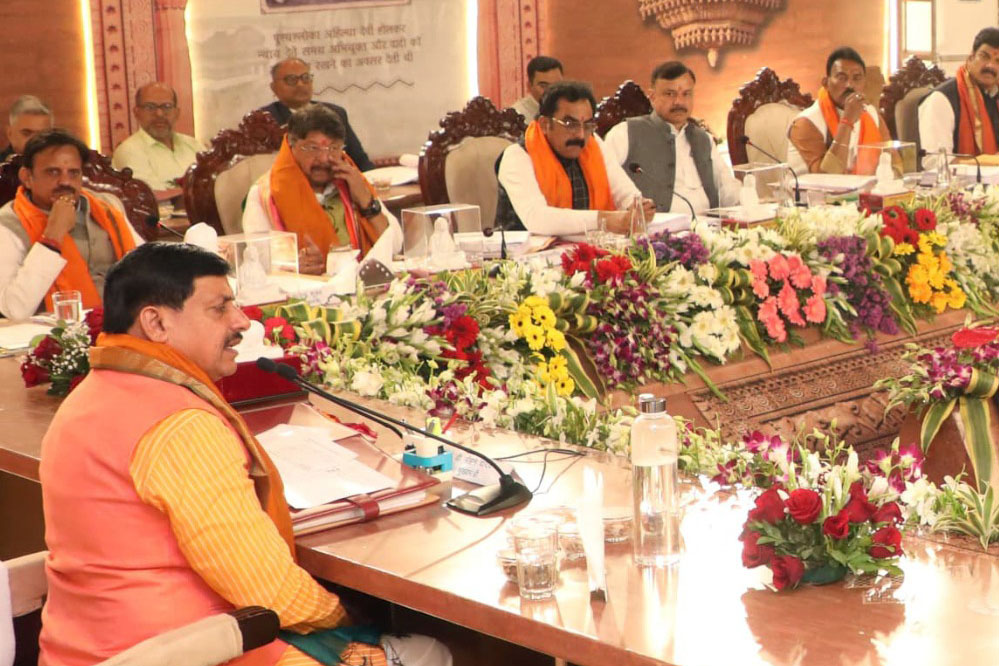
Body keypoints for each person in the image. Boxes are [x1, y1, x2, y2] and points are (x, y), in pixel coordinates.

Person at [38, 242, 452, 666]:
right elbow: (272, 594)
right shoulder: (181, 426)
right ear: (156, 322)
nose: (242, 321)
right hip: (186, 652)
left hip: (83, 651)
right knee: (428, 651)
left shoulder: (85, 400)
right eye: (220, 308)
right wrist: (351, 613)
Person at [0, 129, 142, 320]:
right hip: (54, 331)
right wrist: (52, 237)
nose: (65, 181)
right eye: (53, 172)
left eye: (74, 173)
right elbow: (14, 310)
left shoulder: (107, 208)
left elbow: (148, 266)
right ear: (27, 177)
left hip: (123, 321)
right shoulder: (7, 224)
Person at [243, 104, 401, 273]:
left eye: (333, 148)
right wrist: (294, 264)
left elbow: (395, 246)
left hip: (365, 282)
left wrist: (366, 201)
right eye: (313, 148)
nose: (324, 158)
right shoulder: (265, 194)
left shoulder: (352, 181)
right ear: (291, 146)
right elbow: (257, 258)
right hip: (305, 287)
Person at [496, 81, 653, 238]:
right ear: (545, 124)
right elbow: (537, 218)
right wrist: (602, 219)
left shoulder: (594, 144)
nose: (580, 135)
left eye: (587, 125)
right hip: (527, 250)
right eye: (570, 124)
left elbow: (624, 193)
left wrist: (638, 208)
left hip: (588, 246)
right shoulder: (517, 156)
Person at [604, 61, 739, 214]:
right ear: (652, 97)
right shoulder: (625, 133)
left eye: (686, 94)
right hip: (654, 227)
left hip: (709, 225)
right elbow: (605, 178)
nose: (679, 102)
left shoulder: (704, 139)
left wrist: (749, 199)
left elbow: (726, 187)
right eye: (670, 94)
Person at [787, 47, 892, 175]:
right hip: (811, 188)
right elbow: (826, 177)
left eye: (857, 78)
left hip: (864, 187)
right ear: (826, 83)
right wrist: (847, 121)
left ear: (864, 82)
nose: (850, 85)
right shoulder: (806, 123)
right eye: (842, 78)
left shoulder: (872, 114)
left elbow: (895, 163)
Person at [258, 58, 374, 171]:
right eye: (291, 79)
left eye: (305, 78)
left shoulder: (335, 113)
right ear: (273, 87)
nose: (300, 84)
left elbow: (360, 160)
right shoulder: (263, 120)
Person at [919, 27, 999, 166]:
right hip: (956, 180)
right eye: (984, 56)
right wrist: (984, 162)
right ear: (971, 57)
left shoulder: (994, 97)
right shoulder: (941, 99)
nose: (990, 65)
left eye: (998, 61)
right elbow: (935, 162)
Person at [111, 82, 205, 193]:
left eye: (167, 106)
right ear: (136, 113)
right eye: (150, 107)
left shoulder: (194, 145)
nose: (159, 114)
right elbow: (153, 196)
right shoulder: (129, 151)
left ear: (177, 113)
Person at [1, 95, 54, 162]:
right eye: (26, 134)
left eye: (42, 135)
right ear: (10, 134)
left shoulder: (60, 165)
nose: (34, 141)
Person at [511, 56, 564, 120]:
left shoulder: (567, 108)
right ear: (529, 86)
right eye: (544, 86)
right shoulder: (516, 116)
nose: (551, 91)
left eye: (557, 85)